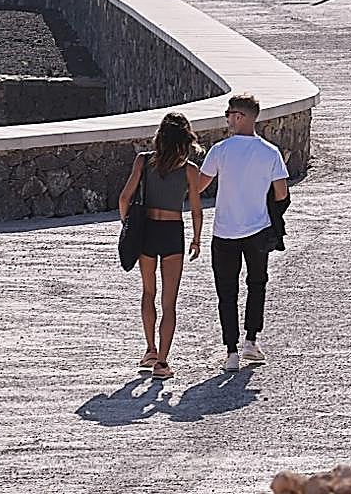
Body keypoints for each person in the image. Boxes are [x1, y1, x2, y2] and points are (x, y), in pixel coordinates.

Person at [198, 93, 289, 372]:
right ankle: (251, 339)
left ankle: (231, 352)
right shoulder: (270, 152)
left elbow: (198, 186)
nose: (227, 119)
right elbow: (281, 193)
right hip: (258, 230)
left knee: (227, 292)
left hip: (224, 231)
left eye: (229, 114)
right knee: (257, 284)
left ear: (239, 117)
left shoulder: (220, 150)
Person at [117, 112, 204, 380]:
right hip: (172, 232)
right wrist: (196, 238)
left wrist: (129, 225)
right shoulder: (190, 170)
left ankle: (150, 349)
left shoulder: (143, 161)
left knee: (148, 292)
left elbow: (124, 199)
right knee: (169, 302)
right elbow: (196, 210)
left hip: (148, 230)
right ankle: (163, 363)